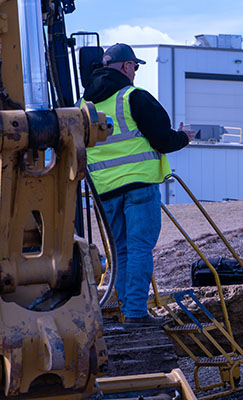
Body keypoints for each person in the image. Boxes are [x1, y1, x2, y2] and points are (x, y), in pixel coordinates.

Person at [83, 43, 192, 327]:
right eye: (136, 66)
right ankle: (135, 314)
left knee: (119, 253)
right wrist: (184, 137)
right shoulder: (133, 97)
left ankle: (121, 311)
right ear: (125, 66)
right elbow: (163, 140)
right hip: (138, 188)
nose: (136, 72)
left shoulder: (84, 106)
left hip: (105, 190)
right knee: (140, 248)